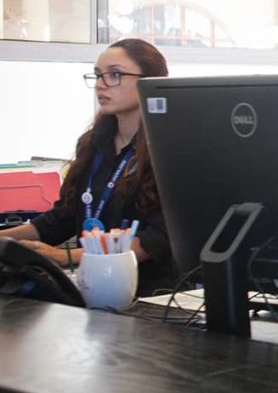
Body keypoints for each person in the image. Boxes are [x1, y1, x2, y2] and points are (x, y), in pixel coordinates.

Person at [2, 39, 177, 296]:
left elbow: (156, 240)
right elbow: (61, 218)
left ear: (149, 81)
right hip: (92, 286)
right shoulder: (93, 144)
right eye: (97, 75)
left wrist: (66, 257)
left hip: (151, 295)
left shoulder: (169, 150)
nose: (100, 85)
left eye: (114, 75)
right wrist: (6, 239)